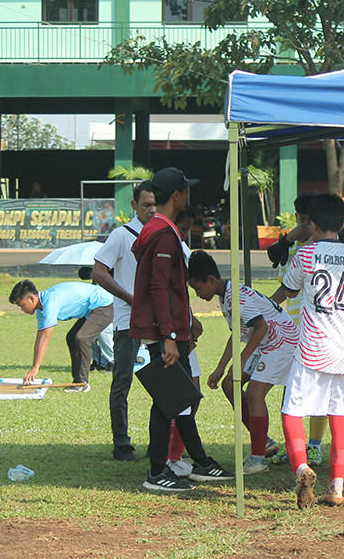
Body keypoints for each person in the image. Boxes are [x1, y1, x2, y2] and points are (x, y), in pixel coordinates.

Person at [130, 166, 233, 492]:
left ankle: (199, 462)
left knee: (179, 398)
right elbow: (160, 288)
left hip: (175, 330)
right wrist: (169, 337)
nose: (188, 195)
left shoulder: (160, 229)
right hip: (170, 332)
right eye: (186, 190)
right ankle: (158, 471)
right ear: (177, 195)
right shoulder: (162, 233)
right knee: (168, 400)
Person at [279, 193, 344, 508]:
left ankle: (302, 467)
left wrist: (268, 301)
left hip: (311, 348)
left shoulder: (305, 255)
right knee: (340, 415)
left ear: (312, 224)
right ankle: (336, 488)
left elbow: (289, 289)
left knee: (292, 410)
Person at [188, 250, 299, 475]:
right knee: (230, 384)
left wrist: (240, 360)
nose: (198, 294)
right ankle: (264, 441)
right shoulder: (224, 296)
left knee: (254, 394)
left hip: (282, 342)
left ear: (211, 280)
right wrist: (221, 368)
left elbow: (262, 327)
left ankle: (258, 459)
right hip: (264, 342)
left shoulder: (236, 296)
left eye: (198, 288)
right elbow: (239, 332)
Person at [93, 180, 157, 461]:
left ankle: (161, 443)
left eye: (156, 204)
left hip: (159, 321)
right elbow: (99, 272)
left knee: (165, 381)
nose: (152, 210)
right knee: (122, 380)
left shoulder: (164, 233)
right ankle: (122, 442)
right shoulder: (122, 235)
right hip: (127, 321)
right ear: (134, 206)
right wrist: (129, 297)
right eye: (146, 205)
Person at [269, 192, 328, 468]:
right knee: (290, 389)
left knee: (318, 392)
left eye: (309, 221)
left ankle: (314, 446)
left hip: (318, 331)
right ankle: (293, 445)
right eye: (300, 220)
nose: (304, 226)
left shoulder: (324, 248)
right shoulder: (289, 249)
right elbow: (286, 288)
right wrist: (267, 307)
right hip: (292, 331)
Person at [10, 279, 114, 393]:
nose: (22, 309)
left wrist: (35, 368)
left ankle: (82, 383)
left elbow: (46, 339)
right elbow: (39, 339)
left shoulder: (50, 302)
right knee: (71, 337)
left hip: (104, 305)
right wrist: (34, 366)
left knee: (82, 338)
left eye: (22, 305)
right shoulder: (41, 309)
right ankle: (77, 382)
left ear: (31, 298)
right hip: (91, 309)